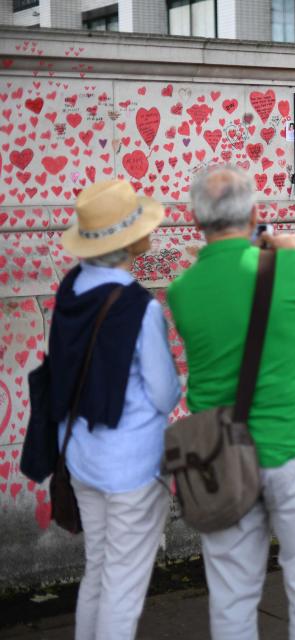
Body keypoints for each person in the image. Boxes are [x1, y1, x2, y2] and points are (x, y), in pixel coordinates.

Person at [167, 164, 295, 640]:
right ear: (254, 214)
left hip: (220, 458)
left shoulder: (182, 291)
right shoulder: (287, 267)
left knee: (231, 595)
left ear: (196, 219)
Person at [51, 179, 181, 639]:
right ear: (128, 240)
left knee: (99, 570)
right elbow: (164, 392)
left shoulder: (70, 290)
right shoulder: (137, 306)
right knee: (123, 588)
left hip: (81, 455)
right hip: (132, 466)